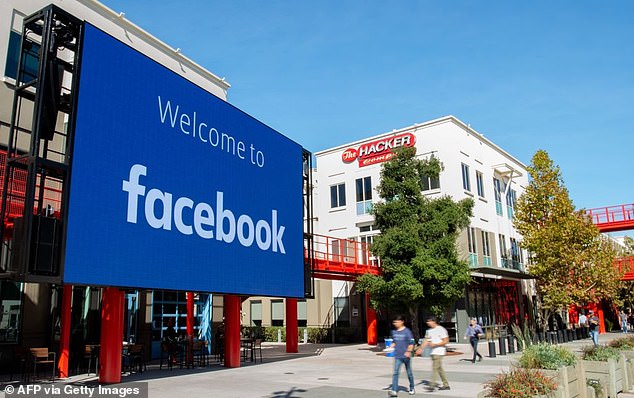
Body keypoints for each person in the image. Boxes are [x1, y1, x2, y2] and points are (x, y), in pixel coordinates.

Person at [417, 316, 450, 392]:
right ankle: (446, 385)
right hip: (433, 352)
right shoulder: (429, 331)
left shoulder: (441, 329)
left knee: (434, 368)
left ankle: (432, 385)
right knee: (439, 369)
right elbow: (426, 341)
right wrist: (420, 349)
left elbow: (446, 340)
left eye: (429, 321)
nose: (427, 323)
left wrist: (435, 344)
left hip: (439, 351)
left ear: (433, 321)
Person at [388, 315, 415, 396]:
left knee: (409, 372)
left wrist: (409, 351)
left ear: (402, 321)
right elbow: (394, 342)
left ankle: (412, 387)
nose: (395, 323)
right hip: (398, 356)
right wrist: (390, 347)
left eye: (397, 322)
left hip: (406, 356)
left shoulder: (407, 331)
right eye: (394, 322)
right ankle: (394, 390)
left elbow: (411, 343)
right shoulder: (394, 332)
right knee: (395, 373)